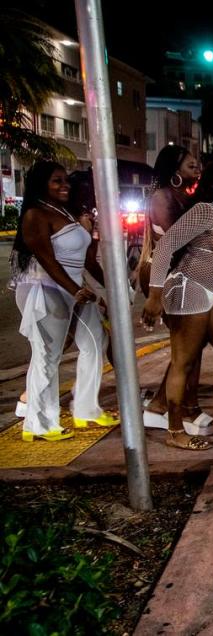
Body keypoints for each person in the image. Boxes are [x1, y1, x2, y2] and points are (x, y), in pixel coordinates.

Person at [142, 159, 213, 450]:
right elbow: (166, 245)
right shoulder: (205, 210)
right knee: (184, 361)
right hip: (187, 289)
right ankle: (175, 430)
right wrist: (154, 295)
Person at [12, 160, 118, 441]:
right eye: (56, 181)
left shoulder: (65, 212)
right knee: (47, 355)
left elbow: (84, 259)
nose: (64, 186)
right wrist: (74, 289)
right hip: (45, 289)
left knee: (95, 341)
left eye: (65, 180)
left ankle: (86, 408)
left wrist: (112, 287)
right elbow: (47, 260)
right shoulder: (36, 215)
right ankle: (39, 424)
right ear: (41, 184)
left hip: (73, 289)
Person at [137, 145, 210, 434]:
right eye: (191, 165)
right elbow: (175, 242)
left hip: (188, 276)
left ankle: (174, 404)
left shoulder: (184, 196)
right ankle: (169, 408)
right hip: (167, 276)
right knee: (188, 344)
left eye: (198, 165)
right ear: (175, 169)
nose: (197, 169)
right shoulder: (162, 197)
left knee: (196, 341)